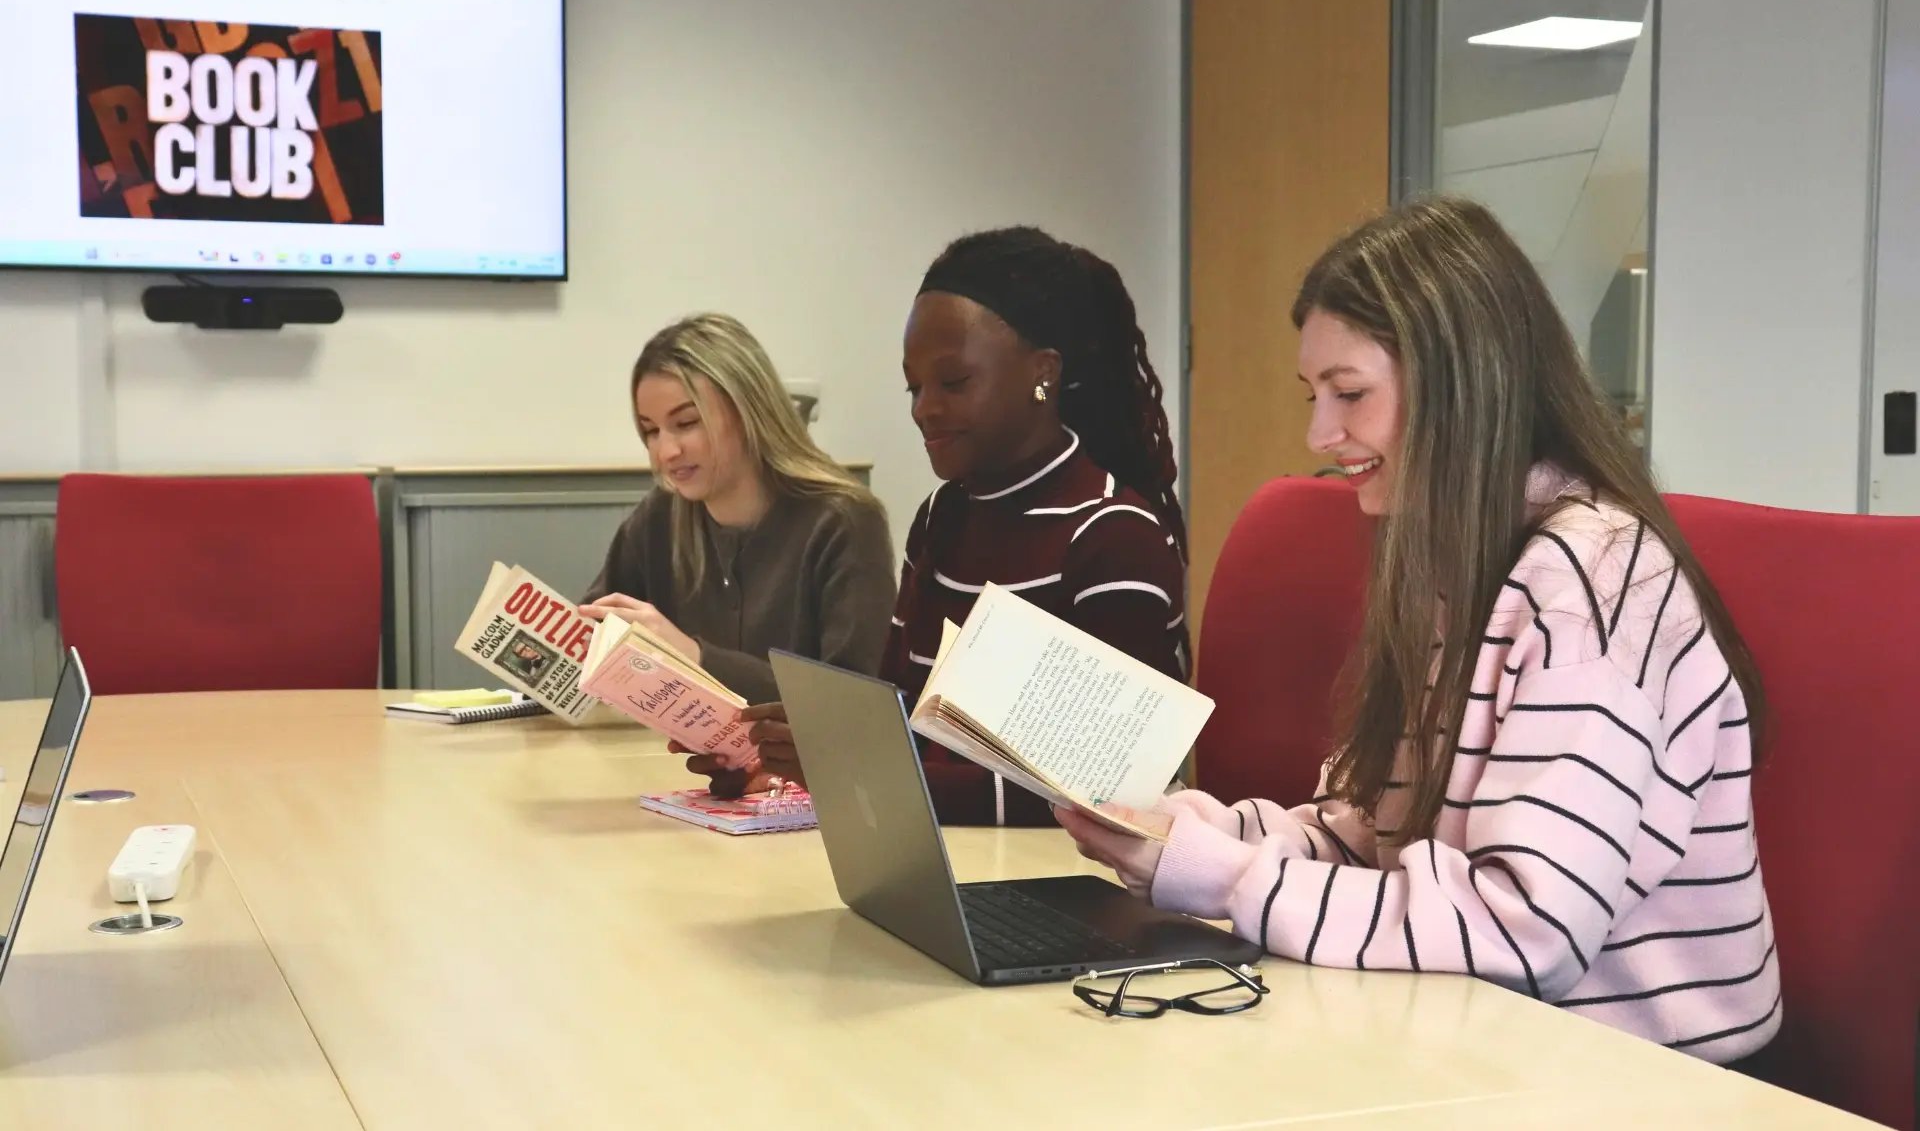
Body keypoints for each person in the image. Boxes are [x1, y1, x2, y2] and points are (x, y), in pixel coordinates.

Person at [1058, 196, 1781, 1064]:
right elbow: (1375, 838)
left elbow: (1526, 932)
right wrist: (1204, 834)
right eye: (1315, 395)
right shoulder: (1462, 557)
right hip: (1493, 1041)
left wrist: (1227, 878)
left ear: (1462, 384)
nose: (1319, 434)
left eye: (1350, 393)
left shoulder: (1591, 580)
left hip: (1647, 1076)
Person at [701, 227, 1191, 825]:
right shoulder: (943, 517)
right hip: (951, 849)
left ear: (1043, 373)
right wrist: (777, 754)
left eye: (954, 382)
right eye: (914, 386)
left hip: (1060, 871)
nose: (924, 408)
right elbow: (900, 718)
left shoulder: (1113, 535)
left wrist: (851, 769)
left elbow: (1102, 797)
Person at [579, 314, 897, 756]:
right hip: (677, 771)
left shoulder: (844, 521)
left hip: (805, 781)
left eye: (686, 423)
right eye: (651, 431)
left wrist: (693, 657)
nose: (666, 451)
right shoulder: (659, 516)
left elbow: (849, 705)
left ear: (748, 410)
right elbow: (595, 632)